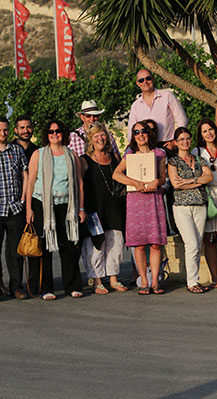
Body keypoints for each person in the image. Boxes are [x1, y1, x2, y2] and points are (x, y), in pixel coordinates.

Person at [26, 120, 86, 300]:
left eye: (58, 131)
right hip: (42, 204)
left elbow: (79, 183)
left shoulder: (72, 155)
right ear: (47, 134)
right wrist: (28, 208)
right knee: (44, 248)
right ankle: (46, 288)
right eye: (51, 131)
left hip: (67, 205)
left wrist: (81, 208)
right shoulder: (38, 154)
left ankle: (72, 286)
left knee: (69, 246)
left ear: (63, 133)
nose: (55, 134)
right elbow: (30, 182)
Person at [113, 121, 168, 295]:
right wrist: (135, 183)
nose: (140, 134)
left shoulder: (159, 153)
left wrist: (156, 181)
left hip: (153, 199)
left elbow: (163, 178)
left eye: (143, 131)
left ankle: (155, 281)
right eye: (136, 132)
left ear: (149, 133)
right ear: (133, 136)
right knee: (139, 244)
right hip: (135, 200)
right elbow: (116, 174)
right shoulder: (129, 154)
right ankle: (143, 280)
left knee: (155, 243)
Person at [79, 122, 127, 294]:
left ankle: (113, 278)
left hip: (114, 206)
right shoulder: (84, 160)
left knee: (115, 242)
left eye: (102, 135)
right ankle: (97, 280)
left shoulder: (115, 157)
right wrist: (81, 208)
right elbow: (79, 185)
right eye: (96, 136)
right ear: (90, 140)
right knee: (95, 244)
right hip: (94, 208)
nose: (100, 138)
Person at [168, 127, 213, 293]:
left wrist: (190, 180)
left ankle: (195, 280)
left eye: (187, 138)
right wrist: (198, 181)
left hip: (200, 205)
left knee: (197, 244)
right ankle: (192, 282)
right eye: (181, 139)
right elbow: (176, 184)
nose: (185, 142)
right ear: (176, 142)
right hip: (182, 207)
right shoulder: (173, 161)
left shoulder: (199, 159)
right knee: (191, 243)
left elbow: (209, 177)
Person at [193, 119, 217, 289]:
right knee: (209, 239)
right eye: (205, 131)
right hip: (206, 195)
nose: (209, 133)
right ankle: (214, 277)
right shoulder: (197, 152)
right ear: (201, 135)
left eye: (211, 130)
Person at [0, 117, 28, 300]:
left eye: (5, 130)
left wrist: (23, 199)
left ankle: (16, 287)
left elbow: (25, 175)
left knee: (16, 251)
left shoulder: (16, 150)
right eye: (0, 130)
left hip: (15, 208)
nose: (3, 133)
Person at [127, 69, 188, 145]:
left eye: (148, 78)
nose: (145, 82)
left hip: (167, 145)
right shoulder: (135, 106)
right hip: (146, 147)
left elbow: (181, 119)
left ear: (153, 79)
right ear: (138, 83)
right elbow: (131, 131)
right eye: (141, 80)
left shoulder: (167, 96)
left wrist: (175, 142)